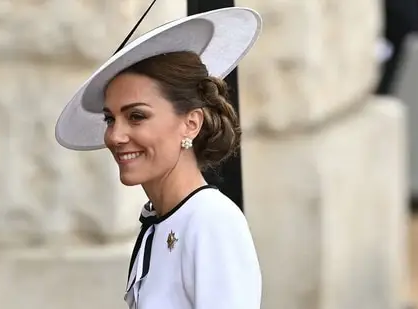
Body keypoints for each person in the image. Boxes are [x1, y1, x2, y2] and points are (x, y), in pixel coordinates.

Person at [54, 6, 263, 309]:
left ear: (190, 123)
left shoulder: (211, 220)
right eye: (110, 119)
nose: (115, 136)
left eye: (136, 116)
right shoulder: (159, 222)